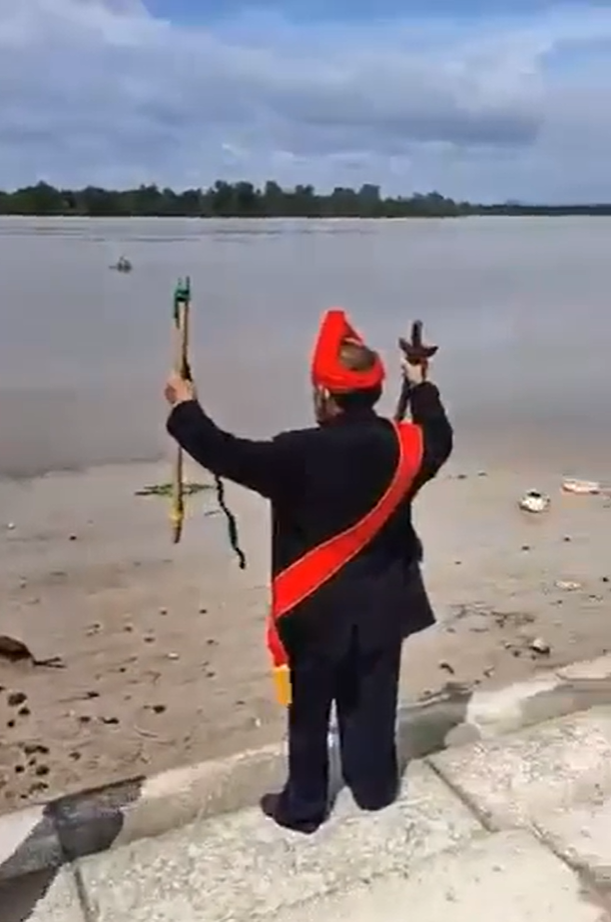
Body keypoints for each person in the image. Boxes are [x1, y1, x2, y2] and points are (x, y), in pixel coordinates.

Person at [165, 308, 453, 834]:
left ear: (324, 393)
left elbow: (222, 452)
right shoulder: (410, 446)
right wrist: (422, 385)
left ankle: (304, 806)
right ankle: (374, 790)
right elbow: (439, 433)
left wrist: (185, 408)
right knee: (373, 702)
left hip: (314, 612)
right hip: (386, 601)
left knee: (308, 712)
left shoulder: (296, 452)